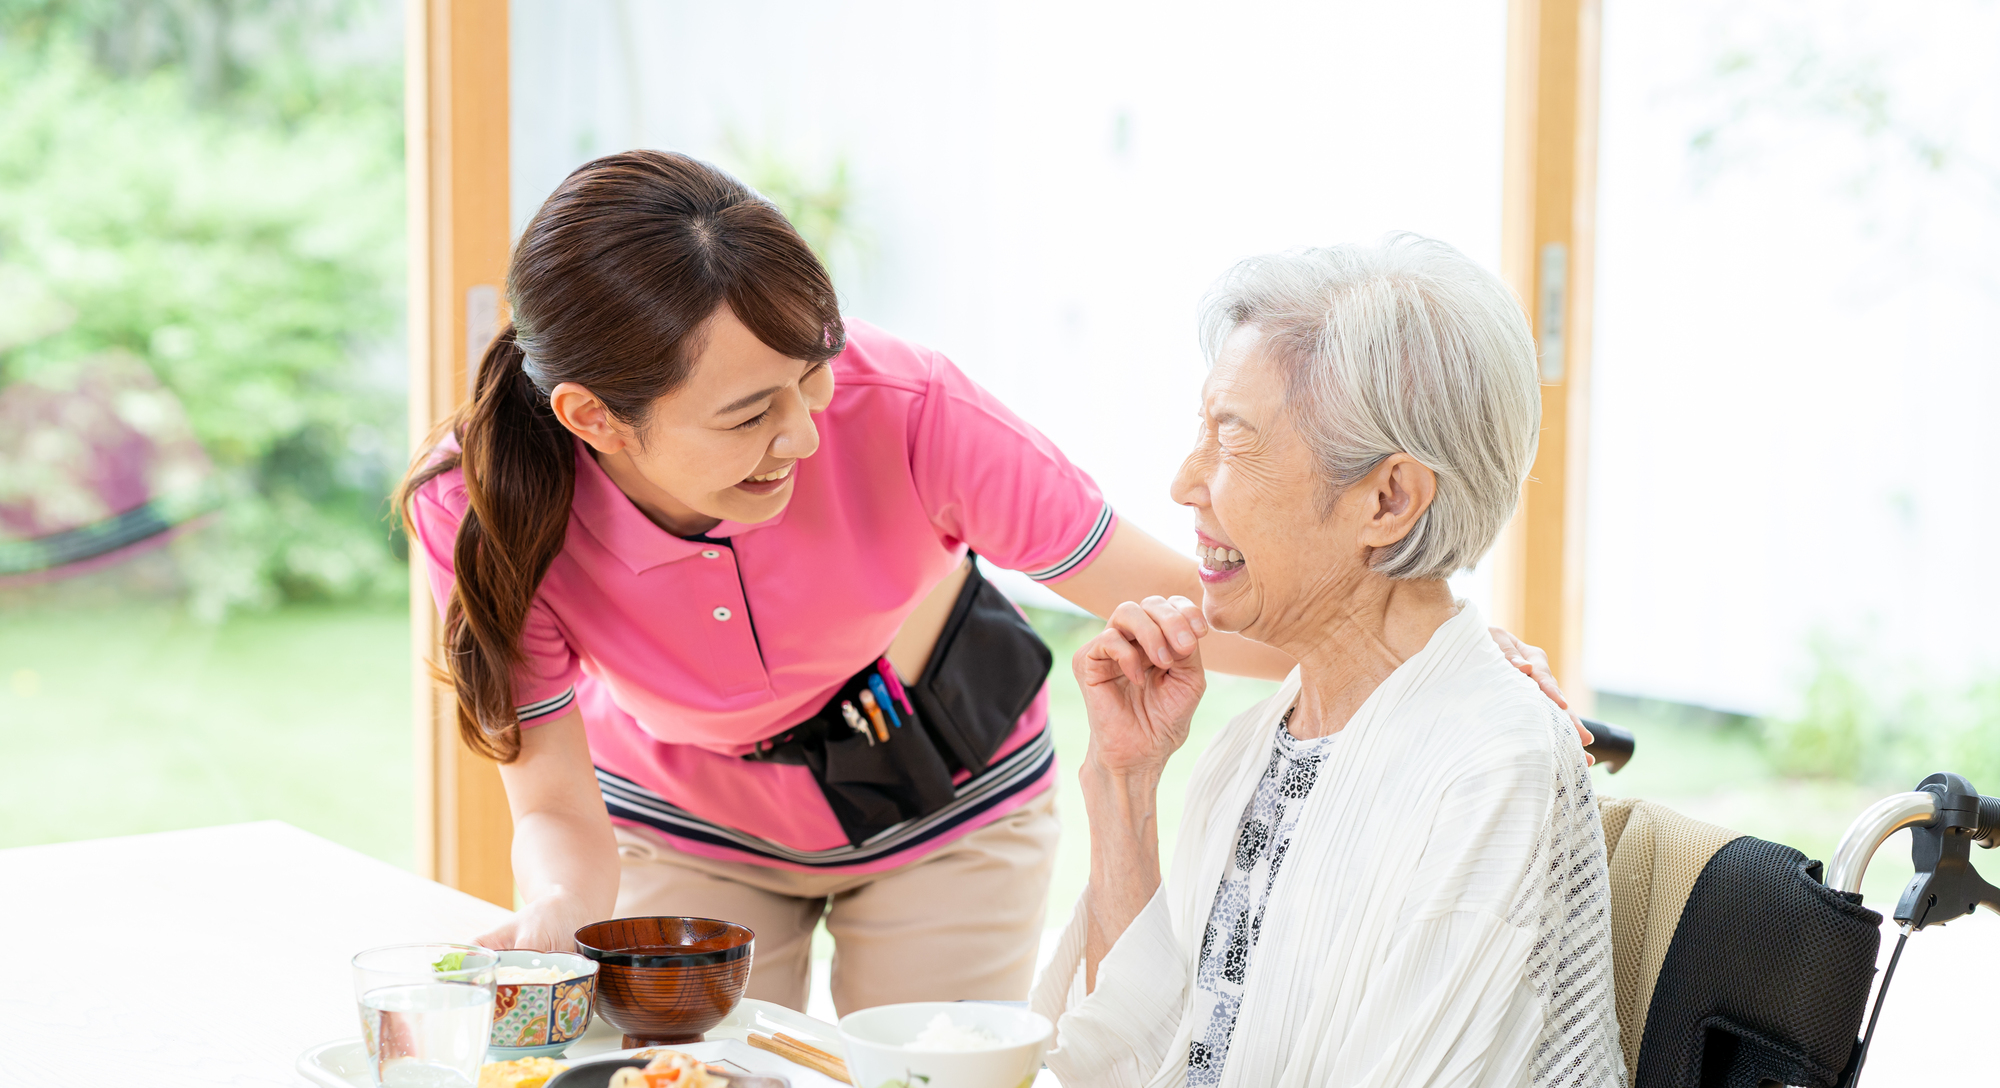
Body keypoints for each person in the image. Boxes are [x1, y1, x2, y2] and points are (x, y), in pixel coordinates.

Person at [398, 150, 1581, 1017]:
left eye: (810, 377)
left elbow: (1205, 605)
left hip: (945, 802)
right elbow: (553, 802)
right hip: (687, 819)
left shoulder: (910, 411)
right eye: (748, 412)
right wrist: (557, 911)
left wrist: (1438, 650)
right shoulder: (489, 506)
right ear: (593, 417)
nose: (805, 435)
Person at [1032, 236, 1638, 1088]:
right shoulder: (1261, 735)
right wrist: (1123, 785)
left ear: (1387, 500)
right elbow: (1146, 1085)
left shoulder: (1486, 764)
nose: (1182, 482)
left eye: (1232, 440)